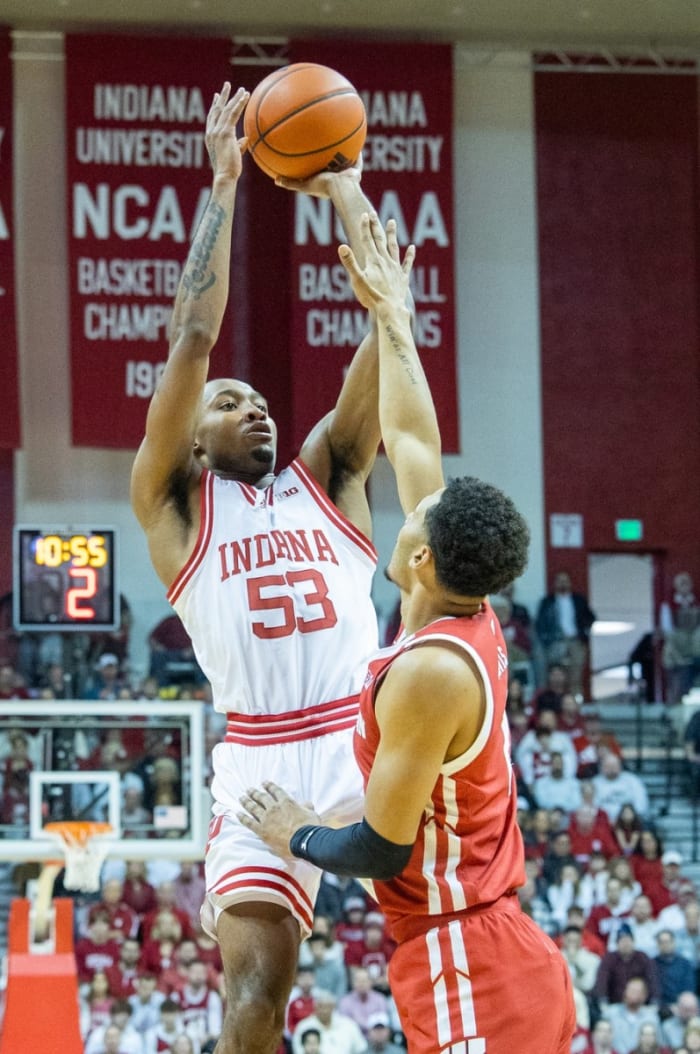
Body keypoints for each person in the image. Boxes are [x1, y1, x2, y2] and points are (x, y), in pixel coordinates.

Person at [238, 213, 575, 1051]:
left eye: (414, 512)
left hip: (470, 961)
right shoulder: (461, 600)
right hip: (479, 950)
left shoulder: (430, 673)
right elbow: (413, 433)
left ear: (422, 558)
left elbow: (383, 850)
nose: (407, 495)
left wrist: (296, 835)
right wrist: (393, 313)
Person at [130, 82, 398, 1054]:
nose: (253, 409)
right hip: (257, 760)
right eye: (228, 402)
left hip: (368, 738)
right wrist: (225, 185)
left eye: (260, 401)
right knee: (255, 984)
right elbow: (193, 339)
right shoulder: (179, 505)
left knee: (442, 931)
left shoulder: (325, 474)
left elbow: (389, 334)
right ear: (192, 441)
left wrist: (346, 191)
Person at [535, 572, 596, 697]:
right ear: (555, 583)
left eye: (565, 580)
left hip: (575, 641)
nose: (563, 583)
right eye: (560, 580)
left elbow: (591, 617)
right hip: (555, 641)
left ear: (569, 583)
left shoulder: (578, 600)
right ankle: (553, 702)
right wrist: (546, 639)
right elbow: (540, 623)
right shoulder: (547, 602)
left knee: (575, 675)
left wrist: (584, 632)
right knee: (554, 674)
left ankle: (576, 705)